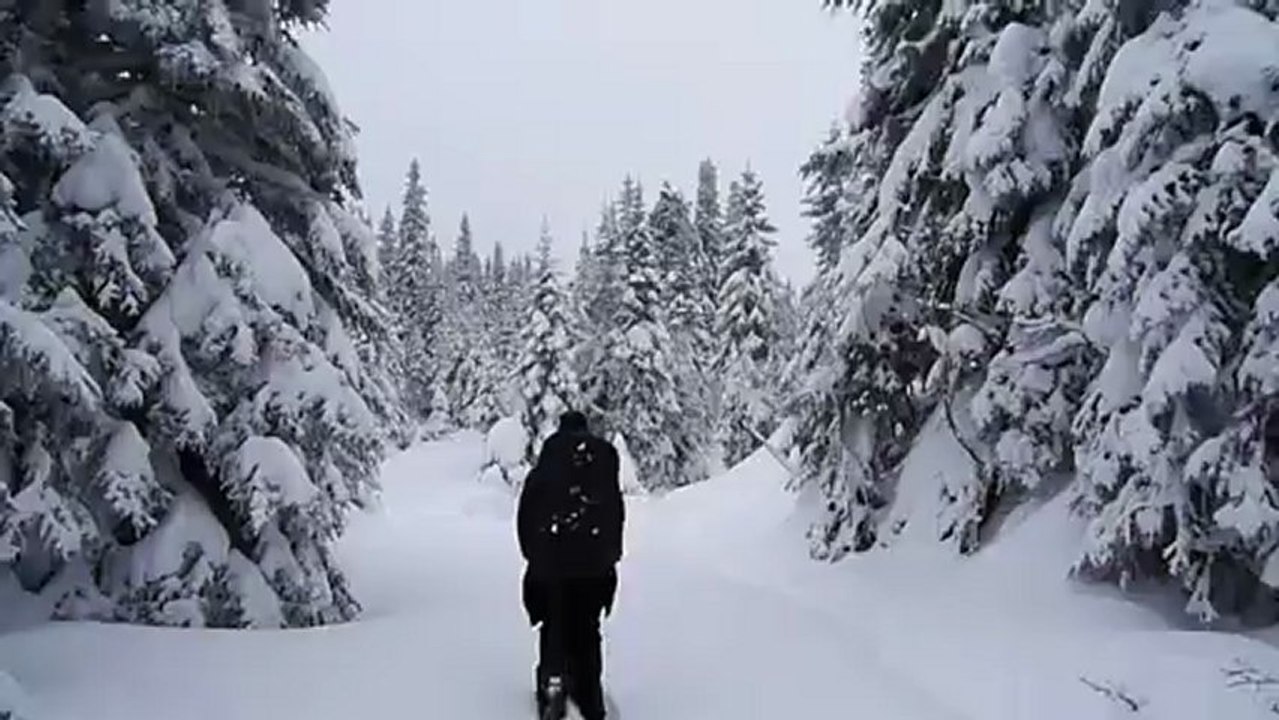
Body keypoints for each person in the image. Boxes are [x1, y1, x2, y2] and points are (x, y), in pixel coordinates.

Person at [517, 411, 625, 720]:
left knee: (554, 626)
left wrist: (533, 557)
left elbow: (526, 516)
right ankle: (590, 693)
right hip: (594, 567)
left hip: (550, 565)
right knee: (588, 630)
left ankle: (553, 688)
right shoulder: (603, 468)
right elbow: (615, 516)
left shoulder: (546, 468)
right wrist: (610, 559)